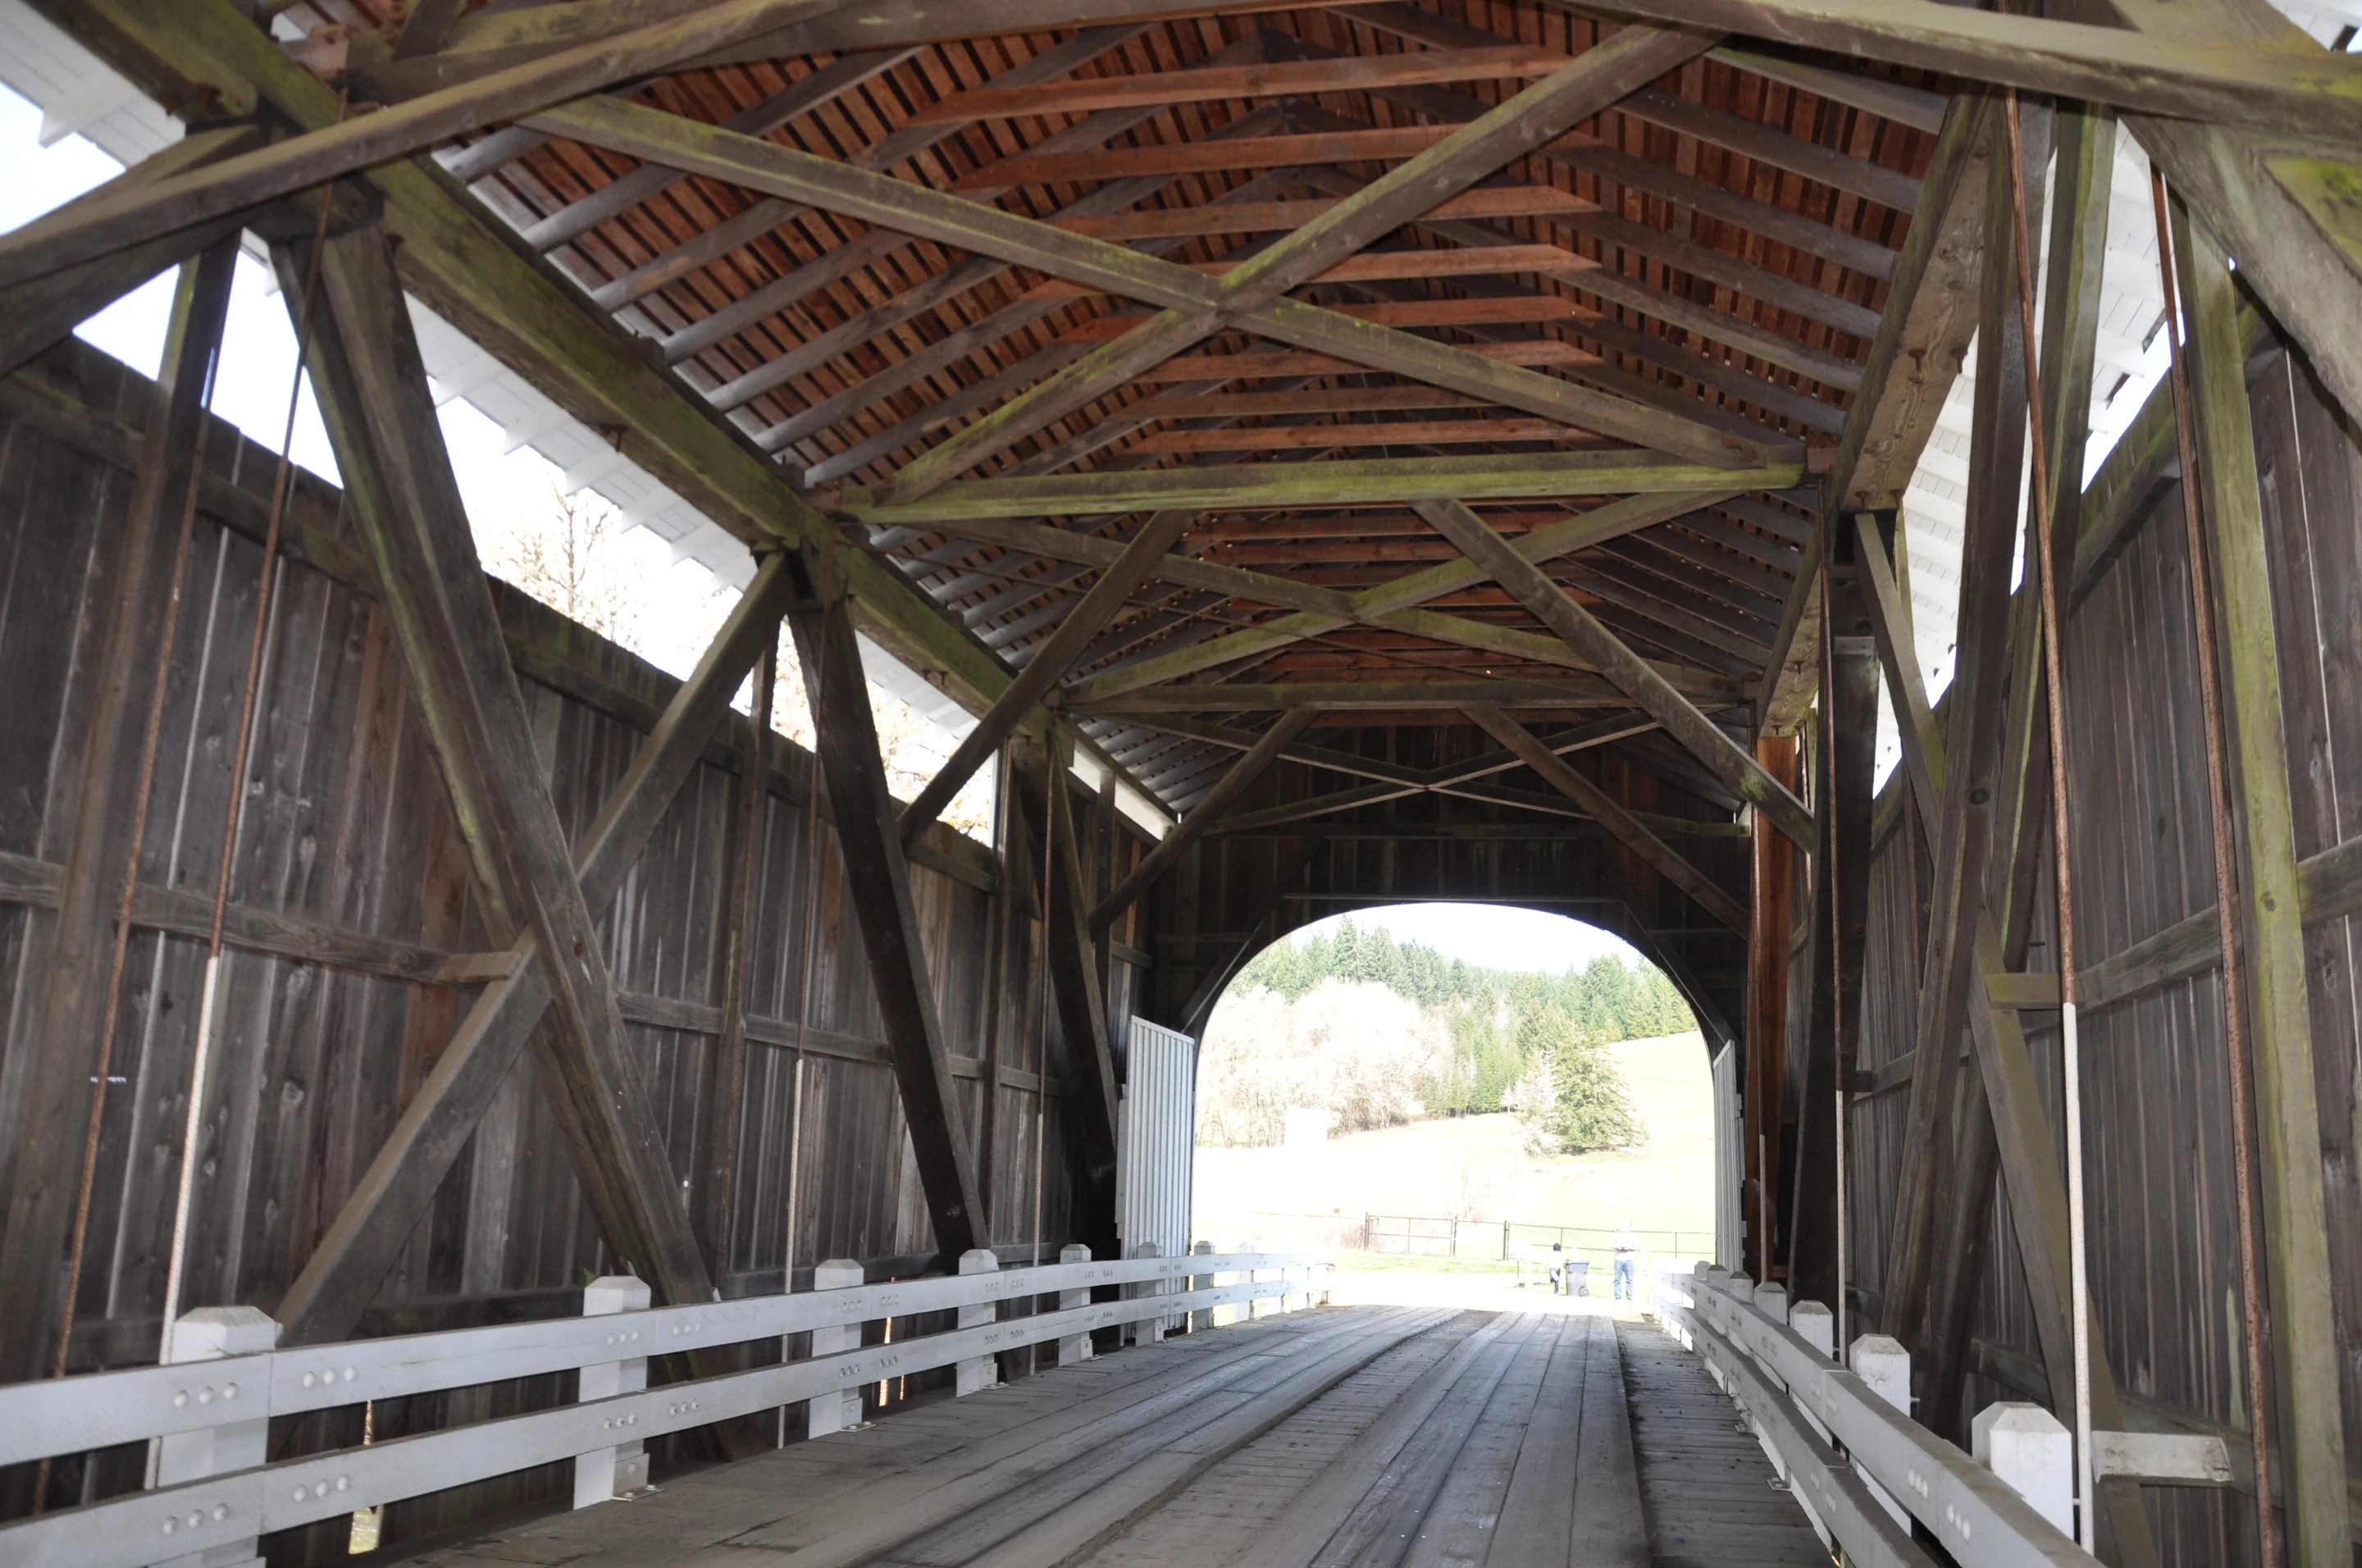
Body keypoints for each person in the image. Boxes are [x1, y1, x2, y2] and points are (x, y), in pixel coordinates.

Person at [1612, 1221, 1639, 1301]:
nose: (1624, 1227)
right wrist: (1618, 1247)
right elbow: (1612, 1245)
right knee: (1617, 1279)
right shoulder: (1617, 1235)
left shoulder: (1633, 1236)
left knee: (1629, 1279)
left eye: (1626, 1226)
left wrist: (1628, 1247)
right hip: (1618, 1259)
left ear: (1630, 1227)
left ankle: (1629, 1297)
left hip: (1629, 1260)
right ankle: (1618, 1296)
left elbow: (1636, 1247)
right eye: (1623, 1225)